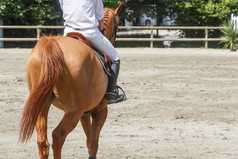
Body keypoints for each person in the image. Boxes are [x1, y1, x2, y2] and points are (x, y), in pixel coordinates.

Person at [59, 0, 125, 104]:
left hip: (68, 32)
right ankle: (111, 93)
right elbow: (100, 17)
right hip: (89, 32)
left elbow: (64, 10)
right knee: (115, 57)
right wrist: (102, 30)